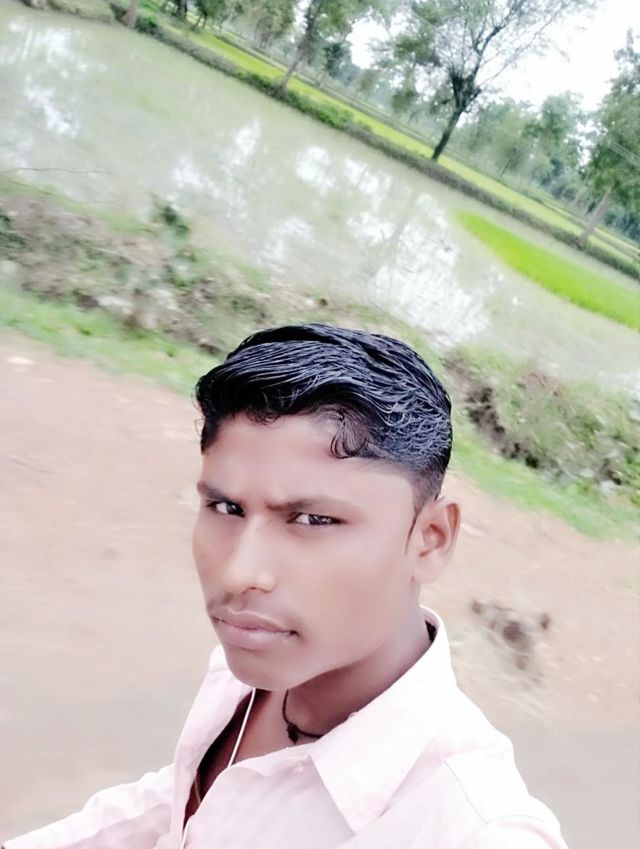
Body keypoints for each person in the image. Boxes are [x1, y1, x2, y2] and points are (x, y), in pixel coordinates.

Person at [3, 323, 568, 849]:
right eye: (226, 508)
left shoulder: (474, 829)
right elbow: (182, 806)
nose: (239, 574)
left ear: (431, 538)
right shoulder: (249, 668)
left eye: (313, 520)